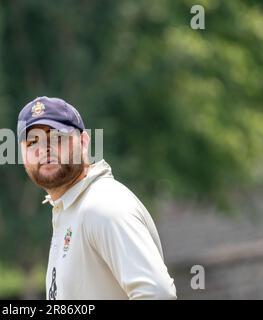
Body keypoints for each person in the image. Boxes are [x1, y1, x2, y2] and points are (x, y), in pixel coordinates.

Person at [17, 96, 177, 300]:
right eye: (32, 142)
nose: (44, 149)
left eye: (57, 137)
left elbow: (158, 294)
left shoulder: (102, 205)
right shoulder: (69, 209)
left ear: (83, 142)